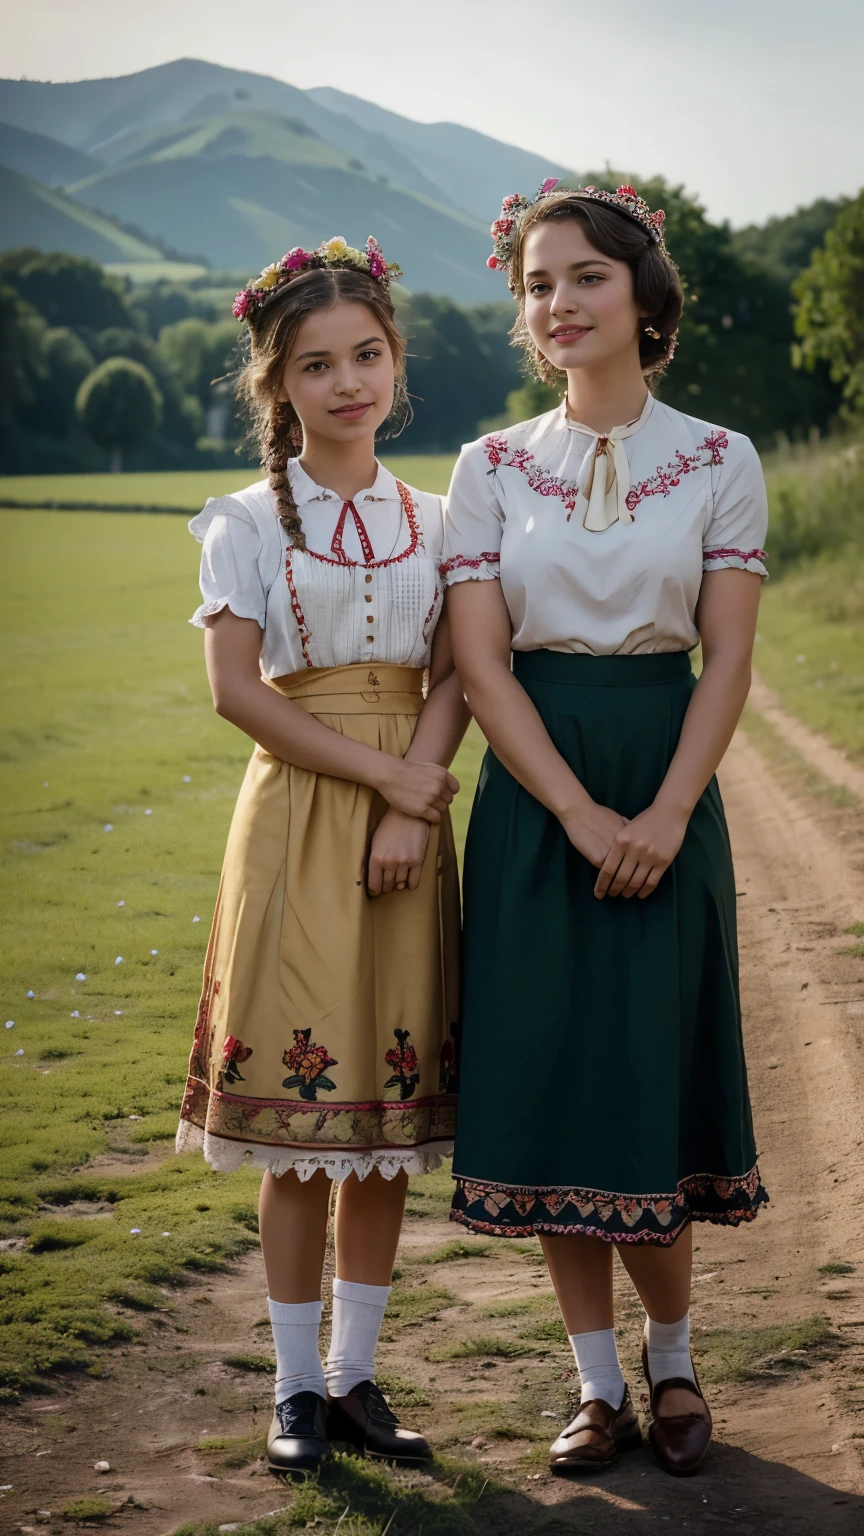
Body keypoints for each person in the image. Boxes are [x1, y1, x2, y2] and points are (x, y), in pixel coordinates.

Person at [442, 181, 769, 1477]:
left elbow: (728, 660)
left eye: (583, 276)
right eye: (536, 282)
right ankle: (594, 1388)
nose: (556, 303)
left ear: (643, 294)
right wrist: (575, 814)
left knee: (649, 1078)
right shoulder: (489, 466)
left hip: (665, 774)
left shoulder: (720, 458)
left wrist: (668, 812)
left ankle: (678, 1370)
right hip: (536, 800)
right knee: (555, 1092)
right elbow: (482, 667)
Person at [175, 236, 468, 1475]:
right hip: (297, 818)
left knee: (384, 1122)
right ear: (277, 383)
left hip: (409, 823)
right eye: (316, 365)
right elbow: (238, 692)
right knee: (301, 1125)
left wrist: (416, 804)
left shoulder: (446, 517)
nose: (347, 382)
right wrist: (386, 776)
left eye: (366, 356)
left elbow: (461, 672)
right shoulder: (242, 520)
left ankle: (356, 1379)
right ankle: (294, 1390)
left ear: (397, 362)